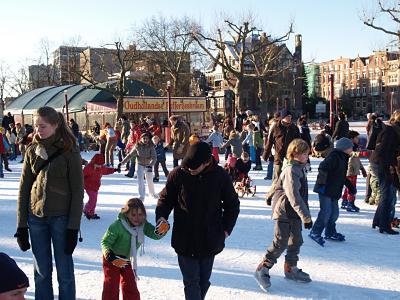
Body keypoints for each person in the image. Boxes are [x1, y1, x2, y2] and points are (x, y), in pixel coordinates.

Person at [156, 142, 240, 300]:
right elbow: (165, 200)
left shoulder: (220, 176)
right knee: (191, 282)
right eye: (188, 166)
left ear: (207, 162)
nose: (190, 169)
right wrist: (162, 217)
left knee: (203, 281)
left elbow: (232, 205)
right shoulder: (178, 174)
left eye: (194, 167)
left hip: (210, 238)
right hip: (185, 238)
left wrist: (226, 229)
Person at [15, 106, 84, 299]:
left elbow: (78, 191)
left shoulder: (69, 151)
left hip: (61, 219)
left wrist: (73, 227)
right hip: (36, 219)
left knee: (65, 273)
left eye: (43, 126)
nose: (38, 131)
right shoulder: (31, 151)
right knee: (42, 273)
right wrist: (21, 226)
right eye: (36, 126)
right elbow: (24, 189)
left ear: (56, 125)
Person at [255, 139, 312, 291]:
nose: (308, 156)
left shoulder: (296, 166)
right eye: (304, 154)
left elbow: (277, 181)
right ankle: (263, 268)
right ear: (295, 154)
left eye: (307, 153)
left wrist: (269, 194)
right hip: (285, 210)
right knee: (281, 242)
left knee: (297, 240)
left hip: (293, 211)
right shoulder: (291, 170)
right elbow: (293, 196)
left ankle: (290, 268)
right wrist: (306, 217)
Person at [101, 198, 168, 300]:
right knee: (111, 286)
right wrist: (110, 255)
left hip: (126, 259)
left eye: (140, 214)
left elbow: (154, 234)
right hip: (112, 258)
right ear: (126, 213)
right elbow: (105, 242)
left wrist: (161, 230)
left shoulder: (143, 225)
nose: (137, 218)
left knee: (130, 285)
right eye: (133, 215)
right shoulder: (118, 225)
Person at [309, 137, 356, 246]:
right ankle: (315, 232)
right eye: (350, 147)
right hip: (325, 189)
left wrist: (350, 187)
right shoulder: (334, 156)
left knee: (334, 214)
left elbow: (342, 176)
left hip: (334, 190)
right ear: (344, 148)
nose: (352, 149)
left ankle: (330, 232)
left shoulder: (343, 157)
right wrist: (322, 182)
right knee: (326, 212)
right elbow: (322, 167)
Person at [370, 110, 400, 234]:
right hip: (381, 163)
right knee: (387, 194)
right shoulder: (391, 130)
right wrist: (388, 168)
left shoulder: (394, 129)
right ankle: (384, 225)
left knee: (387, 193)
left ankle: (378, 221)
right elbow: (382, 150)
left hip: (384, 162)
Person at [262, 109, 300, 205]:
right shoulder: (276, 127)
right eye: (287, 117)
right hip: (279, 156)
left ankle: (288, 199)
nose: (289, 119)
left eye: (290, 117)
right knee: (277, 180)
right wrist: (265, 155)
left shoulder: (294, 128)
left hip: (291, 157)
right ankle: (269, 196)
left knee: (290, 179)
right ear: (283, 117)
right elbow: (269, 141)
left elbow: (299, 143)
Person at [119, 132, 157, 201]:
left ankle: (152, 193)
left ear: (149, 139)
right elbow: (130, 155)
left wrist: (150, 165)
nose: (145, 140)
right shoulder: (137, 146)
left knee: (149, 180)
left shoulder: (151, 146)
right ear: (141, 139)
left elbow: (154, 157)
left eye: (147, 139)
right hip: (140, 164)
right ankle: (141, 195)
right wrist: (122, 163)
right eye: (144, 138)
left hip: (148, 165)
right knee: (140, 181)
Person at [83, 153, 120, 220]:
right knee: (92, 199)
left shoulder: (101, 168)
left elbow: (107, 170)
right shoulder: (88, 168)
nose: (99, 166)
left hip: (96, 186)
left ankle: (91, 213)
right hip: (88, 186)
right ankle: (86, 210)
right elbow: (82, 175)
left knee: (94, 200)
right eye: (98, 164)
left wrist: (114, 170)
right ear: (94, 162)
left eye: (100, 165)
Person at [341, 131, 368, 212]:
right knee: (352, 188)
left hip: (354, 170)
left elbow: (357, 160)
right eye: (356, 138)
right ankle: (350, 203)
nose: (358, 139)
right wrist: (362, 153)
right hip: (350, 171)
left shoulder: (356, 147)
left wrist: (362, 169)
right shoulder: (349, 147)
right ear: (351, 139)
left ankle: (345, 201)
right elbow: (353, 154)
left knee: (349, 187)